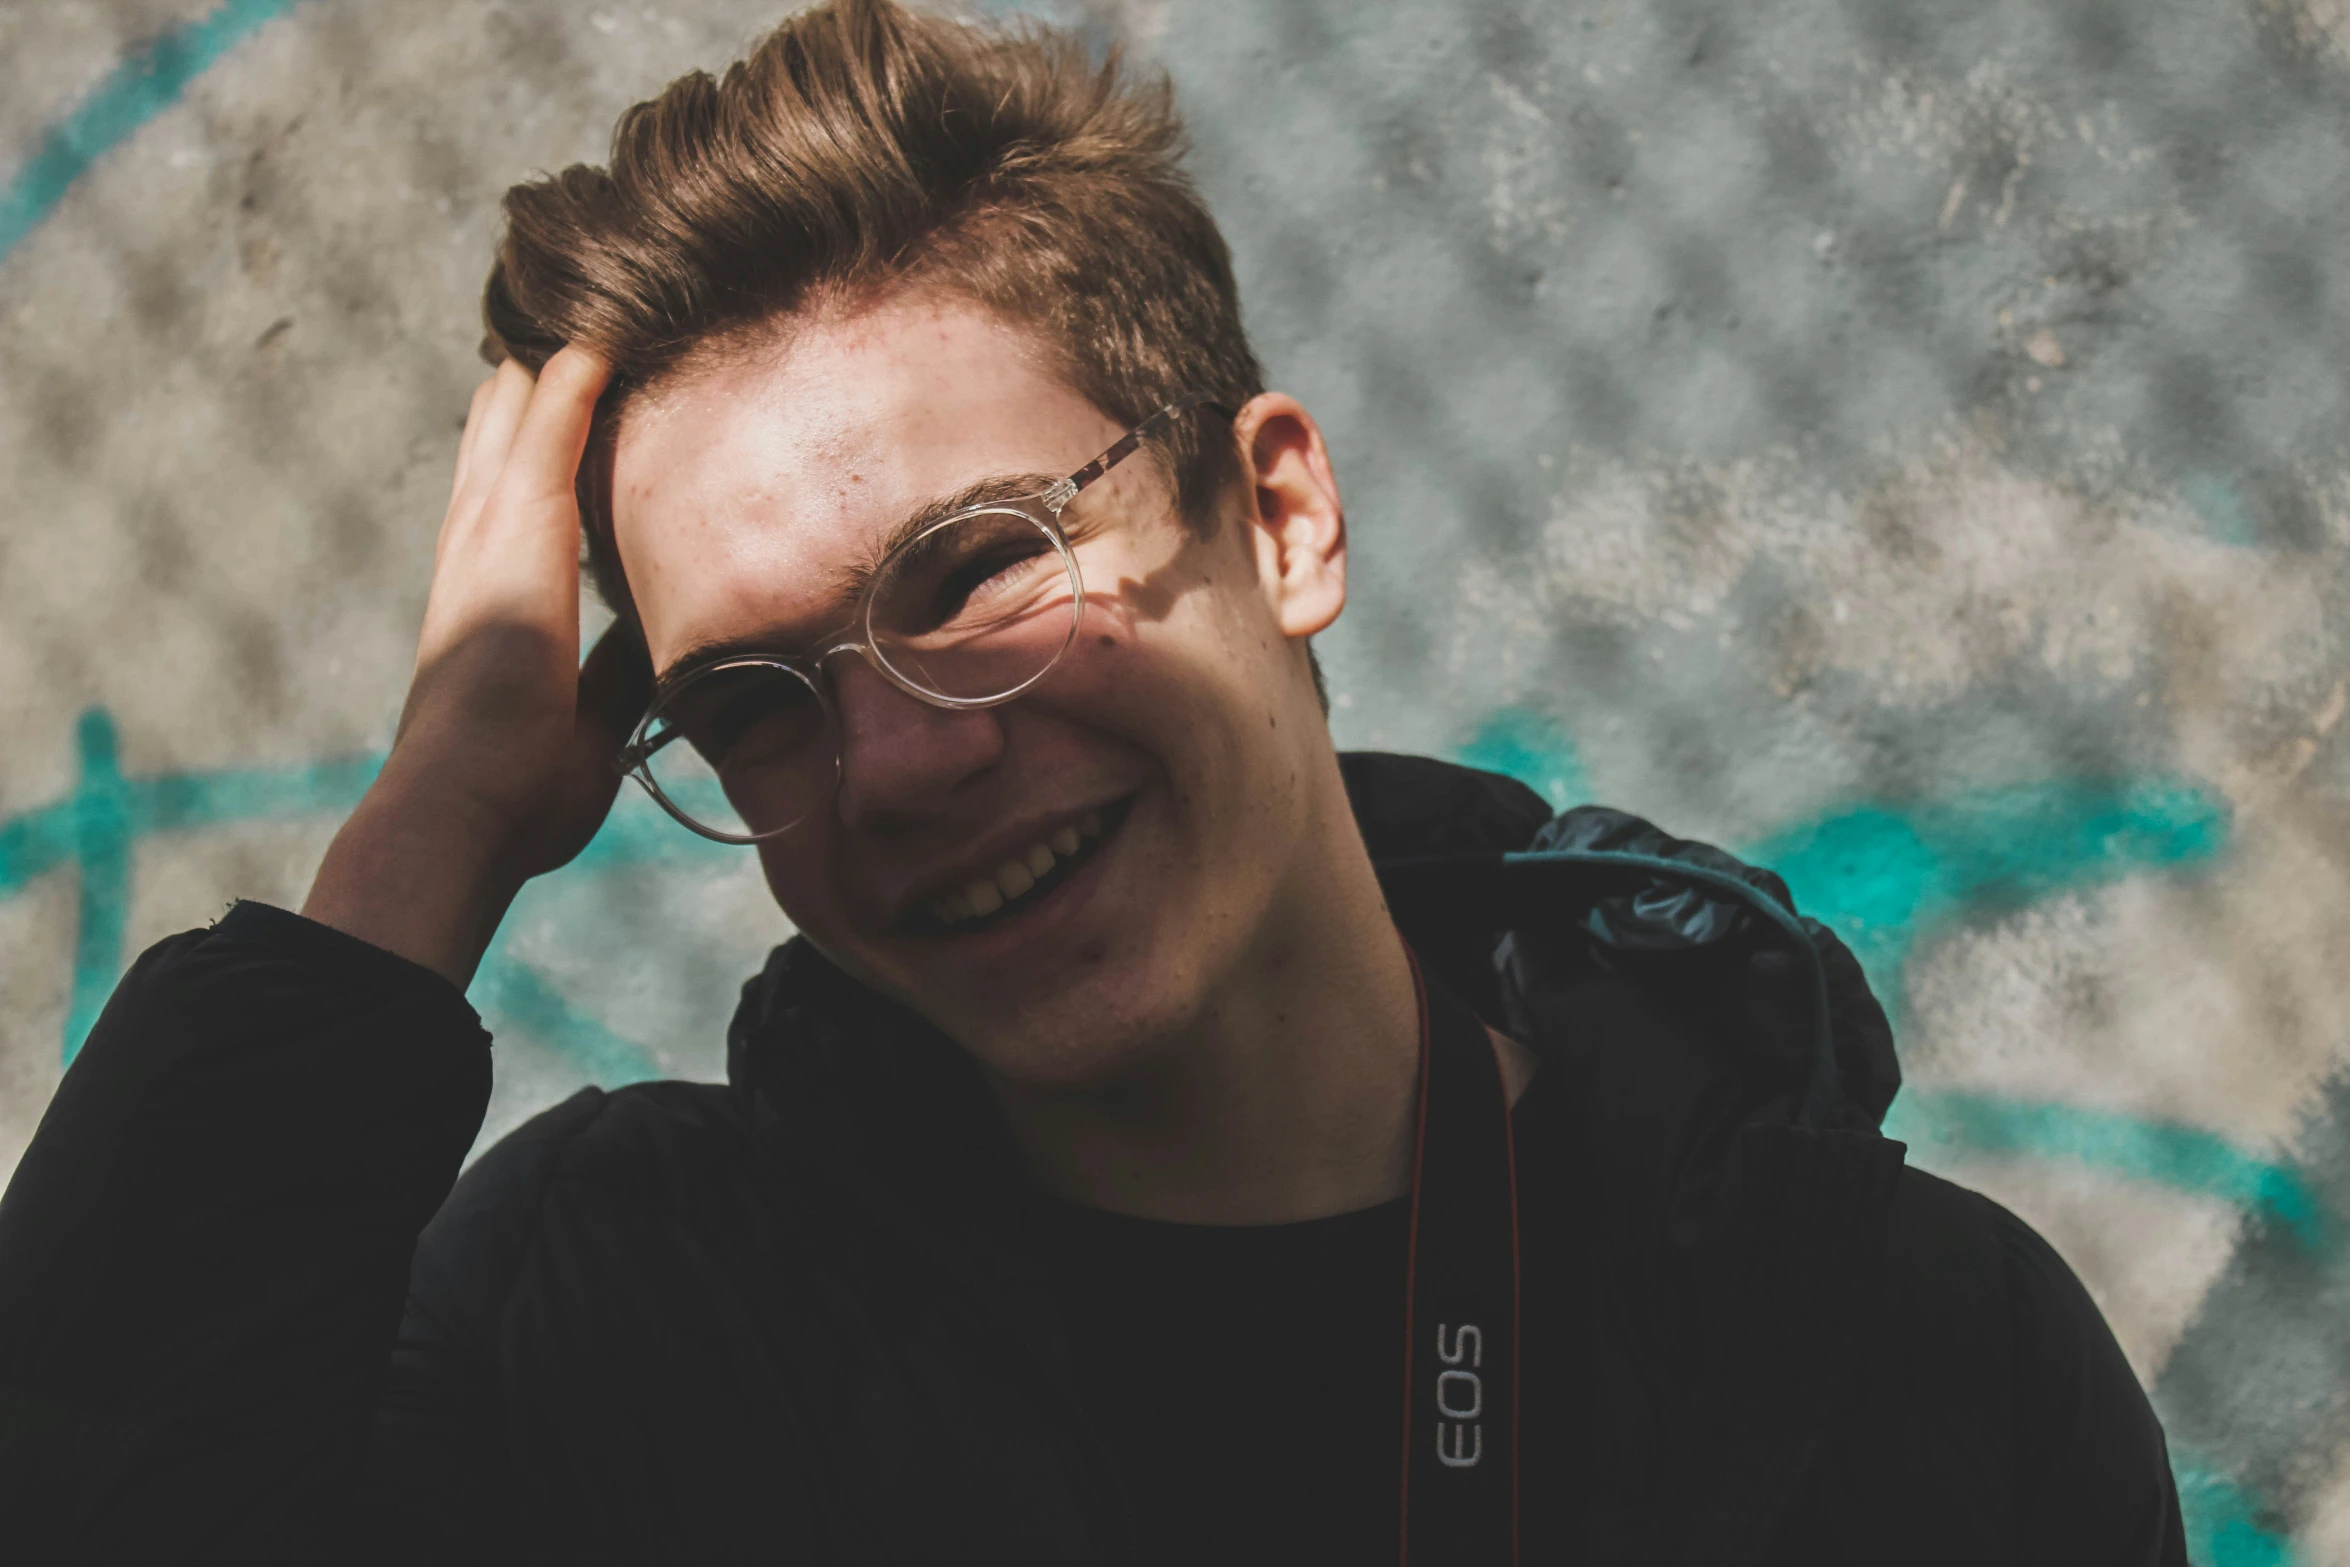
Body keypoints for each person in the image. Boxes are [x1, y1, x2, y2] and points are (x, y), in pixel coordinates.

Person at [0, 2, 2187, 1562]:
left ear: (1283, 516)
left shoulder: (1904, 1353)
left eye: (972, 570)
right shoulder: (620, 1321)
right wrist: (433, 825)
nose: (896, 760)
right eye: (750, 701)